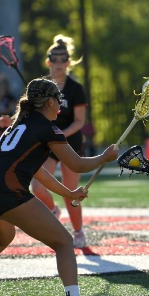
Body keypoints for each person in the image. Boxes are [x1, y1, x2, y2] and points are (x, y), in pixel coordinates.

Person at [0, 77, 118, 296]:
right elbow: (76, 164)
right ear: (49, 102)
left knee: (3, 237)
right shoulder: (47, 128)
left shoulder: (18, 124)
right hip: (6, 192)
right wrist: (104, 158)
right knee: (64, 242)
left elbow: (40, 172)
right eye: (58, 99)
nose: (61, 104)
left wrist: (69, 193)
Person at [30, 35, 90, 248]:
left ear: (68, 61)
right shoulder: (42, 87)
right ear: (48, 61)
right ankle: (53, 210)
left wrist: (61, 134)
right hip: (48, 143)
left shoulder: (75, 88)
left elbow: (79, 121)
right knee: (37, 187)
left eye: (62, 59)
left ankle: (78, 231)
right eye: (54, 59)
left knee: (70, 190)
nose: (58, 63)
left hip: (70, 143)